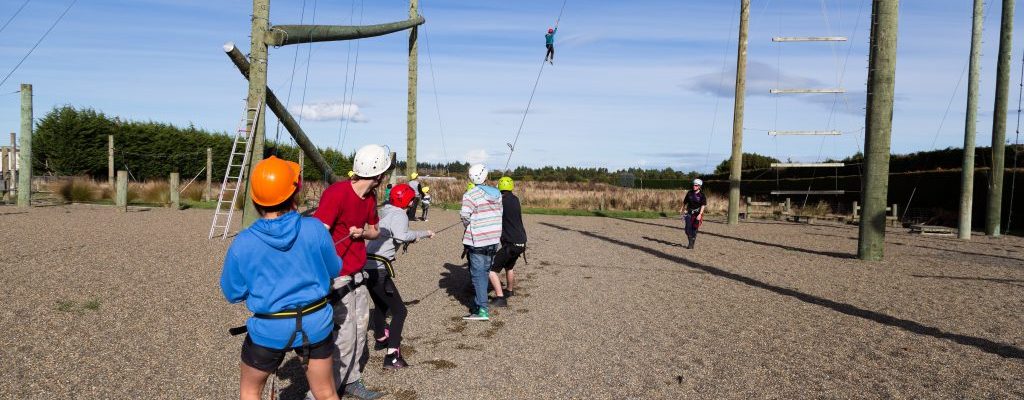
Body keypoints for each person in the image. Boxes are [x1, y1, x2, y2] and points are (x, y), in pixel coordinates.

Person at [220, 156, 342, 400]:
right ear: (294, 193)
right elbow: (334, 269)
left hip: (269, 327)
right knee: (326, 392)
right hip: (315, 321)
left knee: (251, 391)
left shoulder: (243, 242)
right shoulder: (315, 228)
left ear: (255, 199)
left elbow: (232, 292)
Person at [307, 144, 392, 400]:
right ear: (378, 175)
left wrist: (362, 232)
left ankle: (352, 380)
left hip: (358, 276)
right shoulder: (337, 193)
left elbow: (375, 231)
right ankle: (323, 392)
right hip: (338, 277)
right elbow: (318, 233)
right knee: (342, 336)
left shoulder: (370, 198)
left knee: (358, 332)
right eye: (384, 171)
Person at [365, 183, 434, 369]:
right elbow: (402, 236)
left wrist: (411, 237)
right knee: (400, 311)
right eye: (412, 200)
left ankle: (380, 338)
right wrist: (425, 233)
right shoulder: (401, 214)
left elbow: (395, 236)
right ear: (408, 201)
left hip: (367, 267)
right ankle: (392, 356)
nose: (413, 203)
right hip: (379, 269)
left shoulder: (385, 211)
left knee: (380, 304)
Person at [460, 164, 503, 321]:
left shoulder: (470, 195)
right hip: (493, 239)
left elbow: (464, 216)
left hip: (478, 240)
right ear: (486, 176)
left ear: (471, 177)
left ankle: (482, 310)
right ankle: (480, 303)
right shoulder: (498, 193)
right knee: (485, 272)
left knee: (478, 275)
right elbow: (500, 213)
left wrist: (469, 224)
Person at [488, 176, 527, 308]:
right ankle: (509, 291)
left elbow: (492, 209)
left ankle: (500, 298)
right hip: (521, 242)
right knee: (509, 266)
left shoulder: (500, 201)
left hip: (510, 243)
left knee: (491, 270)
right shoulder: (515, 199)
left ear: (500, 187)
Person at [679, 178, 707, 250]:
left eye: (696, 185)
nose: (694, 186)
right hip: (689, 213)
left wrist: (700, 214)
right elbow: (685, 202)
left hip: (697, 214)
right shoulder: (689, 193)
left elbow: (703, 205)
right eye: (693, 185)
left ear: (699, 186)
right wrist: (682, 209)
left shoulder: (702, 195)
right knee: (687, 229)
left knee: (694, 229)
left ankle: (691, 243)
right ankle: (691, 241)